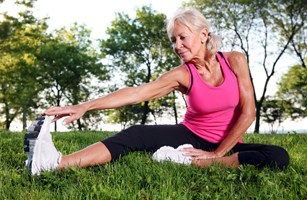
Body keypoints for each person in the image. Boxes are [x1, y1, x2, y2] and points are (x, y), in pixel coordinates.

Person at [26, 8, 289, 175]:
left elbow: (248, 113)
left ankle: (196, 162)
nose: (177, 45)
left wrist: (217, 153)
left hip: (229, 143)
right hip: (192, 134)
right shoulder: (182, 75)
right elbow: (135, 93)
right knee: (136, 133)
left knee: (279, 156)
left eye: (182, 37)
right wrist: (85, 106)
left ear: (203, 35)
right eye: (173, 40)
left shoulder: (235, 60)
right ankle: (57, 162)